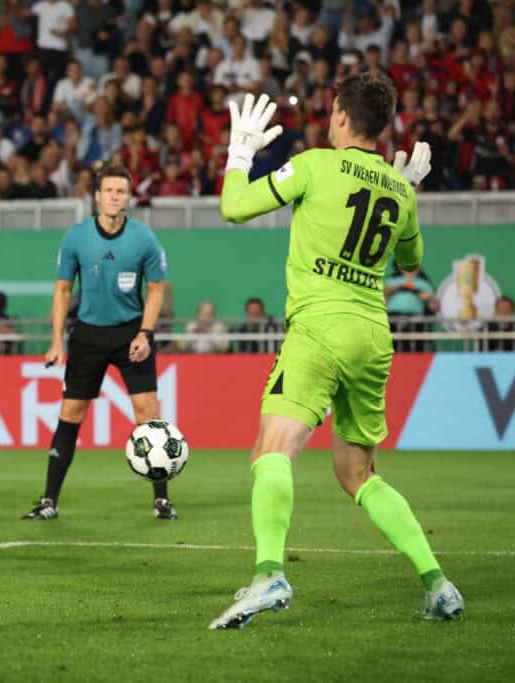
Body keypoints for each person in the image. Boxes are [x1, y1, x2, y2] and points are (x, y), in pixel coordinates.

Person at [209, 73, 463, 629]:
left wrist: (240, 151)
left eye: (331, 111)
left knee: (271, 451)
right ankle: (437, 584)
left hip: (319, 327)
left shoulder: (314, 165)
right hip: (372, 336)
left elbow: (234, 206)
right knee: (358, 474)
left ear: (343, 116)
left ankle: (269, 574)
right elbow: (410, 263)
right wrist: (404, 190)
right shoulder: (399, 189)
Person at [24, 163, 171, 522]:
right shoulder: (76, 238)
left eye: (121, 191)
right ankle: (49, 501)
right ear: (97, 197)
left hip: (131, 334)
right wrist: (56, 341)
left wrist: (146, 333)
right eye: (109, 191)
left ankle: (162, 501)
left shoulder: (144, 238)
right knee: (71, 413)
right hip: (88, 335)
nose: (114, 197)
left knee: (148, 414)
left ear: (129, 198)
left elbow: (156, 289)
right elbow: (63, 290)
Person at [384, 264, 437, 353]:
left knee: (415, 347)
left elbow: (433, 306)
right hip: (393, 318)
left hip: (415, 319)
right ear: (400, 267)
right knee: (392, 345)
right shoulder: (392, 281)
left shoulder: (424, 284)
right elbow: (383, 297)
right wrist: (392, 289)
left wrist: (429, 298)